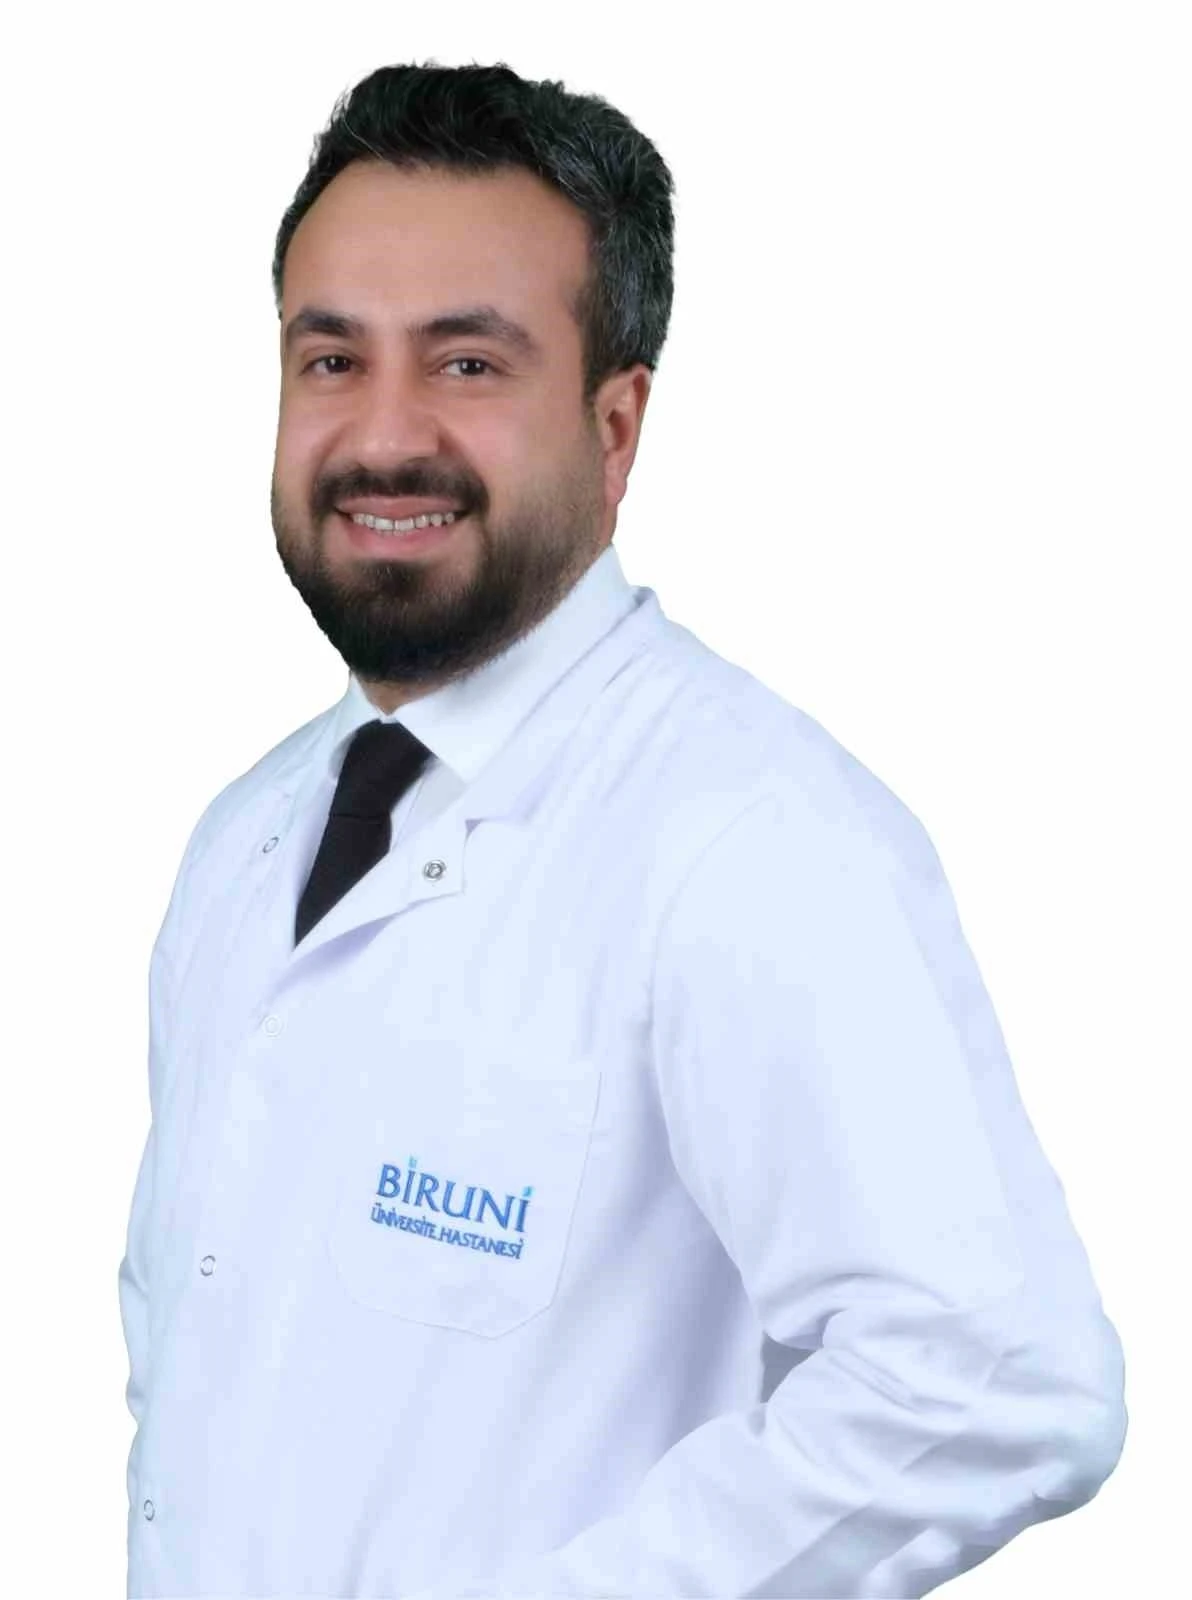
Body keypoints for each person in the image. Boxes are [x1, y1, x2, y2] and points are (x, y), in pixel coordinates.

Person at [117, 59, 1127, 1600]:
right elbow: (209, 1373)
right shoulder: (243, 842)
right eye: (331, 358)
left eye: (467, 363)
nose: (383, 434)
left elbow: (995, 1384)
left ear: (615, 425)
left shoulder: (756, 838)